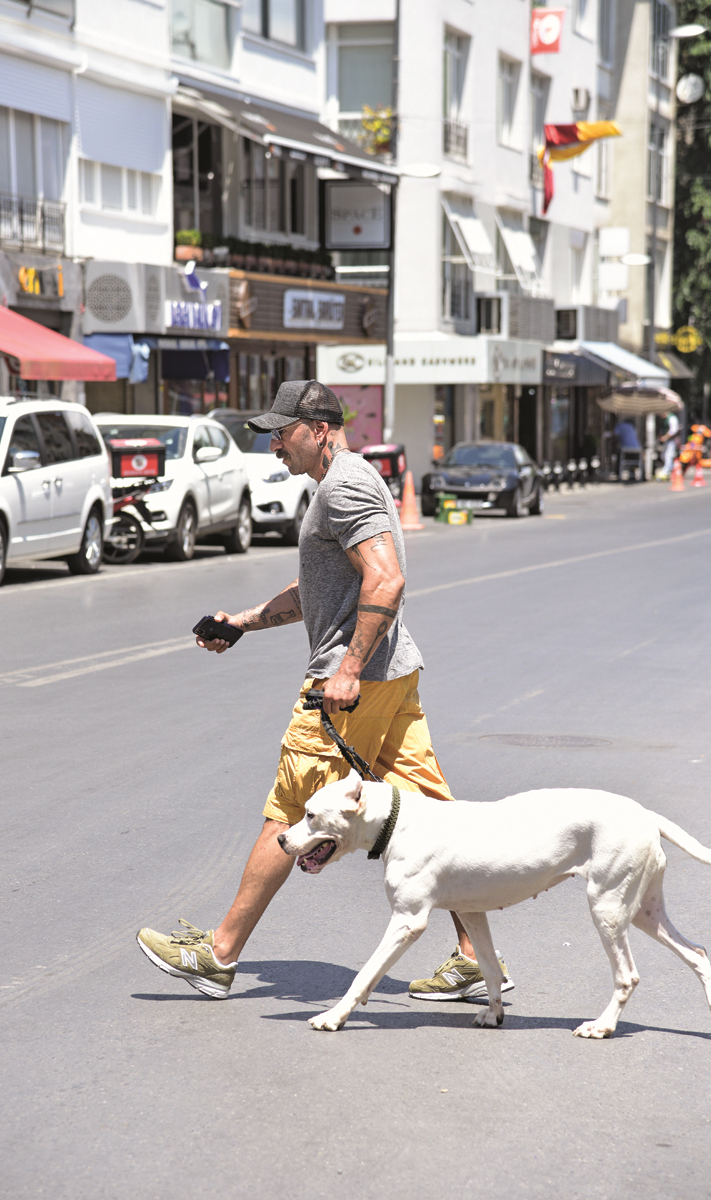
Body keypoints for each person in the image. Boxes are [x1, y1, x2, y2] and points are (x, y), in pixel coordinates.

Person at [136, 380, 513, 1004]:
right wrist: (244, 623)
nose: (276, 447)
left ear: (318, 430)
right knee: (436, 818)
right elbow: (324, 587)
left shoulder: (345, 486)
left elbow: (385, 581)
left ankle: (219, 955)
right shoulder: (345, 481)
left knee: (289, 810)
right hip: (390, 678)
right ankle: (477, 961)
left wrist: (346, 670)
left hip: (353, 685)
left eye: (282, 434)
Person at [657, 411, 680, 479]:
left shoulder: (672, 418)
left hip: (672, 440)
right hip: (668, 440)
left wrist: (665, 437)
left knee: (668, 455)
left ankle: (666, 472)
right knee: (663, 455)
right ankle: (672, 469)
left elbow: (674, 430)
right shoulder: (665, 419)